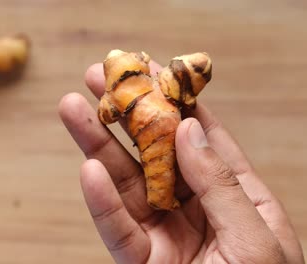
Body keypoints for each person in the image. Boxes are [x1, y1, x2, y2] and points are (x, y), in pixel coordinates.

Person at [58, 61, 305, 263]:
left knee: (155, 178)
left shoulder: (148, 88)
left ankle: (161, 196)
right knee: (154, 178)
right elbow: (106, 111)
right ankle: (161, 196)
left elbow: (105, 112)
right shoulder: (150, 88)